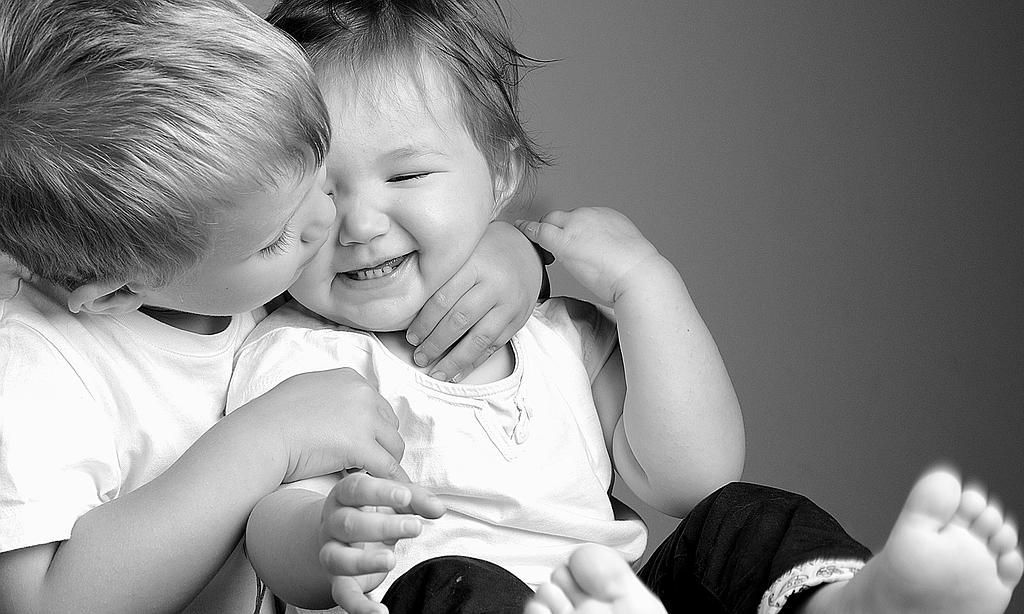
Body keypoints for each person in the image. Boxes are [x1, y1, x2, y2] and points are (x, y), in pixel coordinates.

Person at [226, 1, 1024, 613]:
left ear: (500, 175)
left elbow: (691, 479)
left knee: (742, 519)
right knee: (447, 585)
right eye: (318, 191)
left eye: (405, 176)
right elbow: (268, 518)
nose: (359, 224)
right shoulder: (299, 356)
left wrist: (645, 284)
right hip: (447, 598)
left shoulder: (558, 339)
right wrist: (323, 533)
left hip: (619, 598)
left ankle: (849, 604)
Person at [0, 1, 547, 612]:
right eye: (276, 237)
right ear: (120, 291)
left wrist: (509, 250)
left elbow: (415, 251)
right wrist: (267, 440)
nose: (331, 221)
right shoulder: (33, 365)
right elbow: (41, 604)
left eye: (316, 173)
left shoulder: (224, 270)